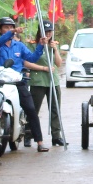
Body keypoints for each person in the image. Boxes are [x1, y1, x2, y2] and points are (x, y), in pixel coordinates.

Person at [0, 16, 47, 150]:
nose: (9, 30)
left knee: (31, 110)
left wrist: (40, 46)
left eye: (11, 27)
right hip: (1, 82)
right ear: (0, 30)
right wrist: (12, 32)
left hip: (18, 82)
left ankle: (39, 141)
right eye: (6, 28)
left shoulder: (19, 45)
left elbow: (32, 58)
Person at [27, 20, 65, 148]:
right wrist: (43, 68)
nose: (48, 34)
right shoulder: (33, 45)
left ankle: (56, 136)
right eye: (46, 31)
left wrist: (55, 50)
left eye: (50, 31)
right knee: (33, 110)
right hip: (38, 81)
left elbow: (59, 64)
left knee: (55, 109)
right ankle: (28, 134)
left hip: (52, 81)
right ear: (40, 31)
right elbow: (28, 62)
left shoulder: (54, 44)